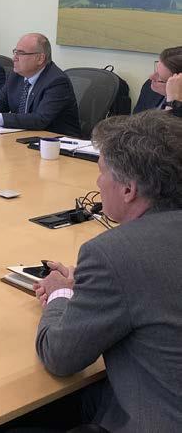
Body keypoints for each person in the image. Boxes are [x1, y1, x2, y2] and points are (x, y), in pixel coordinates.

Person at [33, 110, 182, 432]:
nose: (98, 182)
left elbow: (60, 357)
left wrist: (61, 292)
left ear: (128, 190)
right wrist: (97, 286)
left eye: (101, 172)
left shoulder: (112, 254)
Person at [0, 33, 80, 136]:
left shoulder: (57, 81)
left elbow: (40, 119)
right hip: (25, 136)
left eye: (21, 53)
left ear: (40, 58)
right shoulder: (16, 75)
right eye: (15, 52)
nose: (14, 58)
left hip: (58, 142)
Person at [133, 46, 182, 113]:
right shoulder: (149, 86)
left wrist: (174, 102)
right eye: (156, 71)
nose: (151, 77)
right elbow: (136, 118)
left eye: (160, 78)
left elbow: (169, 120)